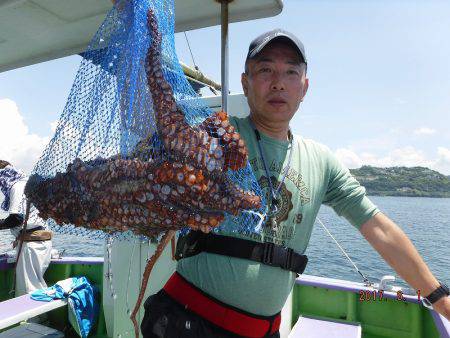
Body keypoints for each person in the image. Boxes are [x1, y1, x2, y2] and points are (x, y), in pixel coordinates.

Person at [140, 30, 450, 337]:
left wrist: (439, 298)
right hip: (188, 323)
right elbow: (153, 160)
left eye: (291, 72)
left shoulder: (321, 161)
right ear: (245, 83)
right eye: (265, 70)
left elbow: (379, 228)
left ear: (304, 87)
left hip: (263, 332)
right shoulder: (216, 136)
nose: (278, 82)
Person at [0, 160, 53, 296]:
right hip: (39, 242)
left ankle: (34, 318)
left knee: (30, 290)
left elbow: (16, 218)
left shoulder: (16, 187)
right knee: (35, 286)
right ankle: (41, 318)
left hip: (31, 245)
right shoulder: (27, 184)